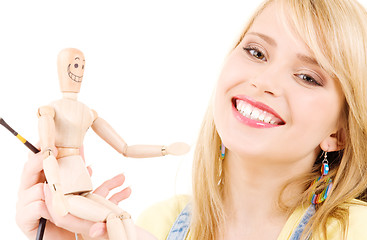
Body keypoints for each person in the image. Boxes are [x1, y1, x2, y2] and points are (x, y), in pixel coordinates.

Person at [16, 0, 367, 239]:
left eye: (308, 77)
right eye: (256, 52)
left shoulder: (356, 229)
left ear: (339, 133)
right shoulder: (160, 222)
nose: (265, 82)